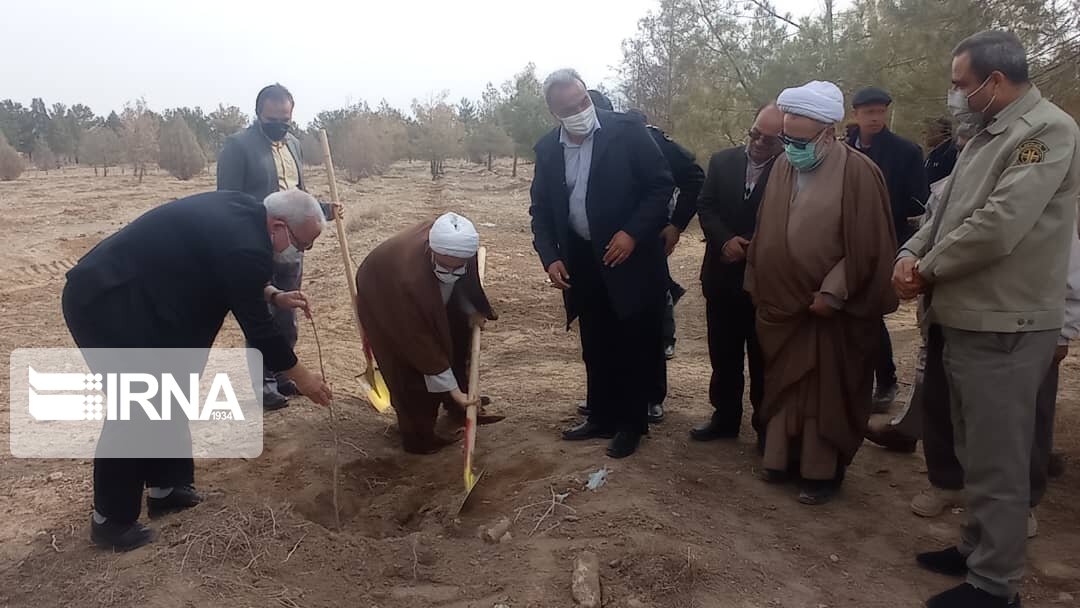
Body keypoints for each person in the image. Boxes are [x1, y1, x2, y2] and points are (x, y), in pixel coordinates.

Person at [895, 31, 1080, 608]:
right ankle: (976, 548)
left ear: (994, 82)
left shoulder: (1045, 132)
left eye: (961, 85)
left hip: (1006, 322)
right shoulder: (982, 134)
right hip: (964, 316)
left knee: (999, 460)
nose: (955, 96)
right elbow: (944, 210)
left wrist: (927, 269)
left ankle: (995, 586)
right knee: (975, 449)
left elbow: (1000, 224)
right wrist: (909, 252)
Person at [62, 189, 333, 551]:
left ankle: (167, 487)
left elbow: (225, 265)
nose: (300, 252)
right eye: (302, 244)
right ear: (279, 226)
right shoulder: (246, 245)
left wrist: (272, 294)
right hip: (107, 301)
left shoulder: (247, 214)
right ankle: (110, 521)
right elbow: (260, 331)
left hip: (145, 300)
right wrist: (303, 378)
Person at [746, 81, 897, 505]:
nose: (792, 147)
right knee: (785, 388)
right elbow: (767, 232)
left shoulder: (859, 173)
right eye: (786, 139)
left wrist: (833, 293)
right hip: (785, 304)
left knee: (824, 392)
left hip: (832, 309)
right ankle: (780, 459)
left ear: (829, 132)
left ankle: (820, 471)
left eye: (800, 140)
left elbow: (869, 246)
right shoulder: (782, 167)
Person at [530, 68, 674, 459]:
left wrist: (632, 233)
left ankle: (631, 424)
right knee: (595, 343)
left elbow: (661, 185)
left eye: (583, 101)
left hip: (629, 256)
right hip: (582, 259)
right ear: (553, 112)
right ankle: (601, 415)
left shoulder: (625, 130)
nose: (580, 111)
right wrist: (551, 257)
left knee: (635, 342)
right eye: (569, 108)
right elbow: (540, 211)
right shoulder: (548, 149)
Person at [576, 90, 704, 424]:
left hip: (641, 249)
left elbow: (693, 177)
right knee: (601, 332)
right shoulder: (570, 146)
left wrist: (676, 224)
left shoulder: (641, 137)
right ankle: (604, 400)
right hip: (595, 254)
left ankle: (651, 397)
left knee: (646, 327)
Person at [217, 83, 339, 410]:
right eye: (273, 118)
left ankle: (286, 374)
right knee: (261, 310)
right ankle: (264, 384)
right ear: (258, 114)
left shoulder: (295, 145)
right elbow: (227, 201)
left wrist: (322, 208)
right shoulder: (237, 146)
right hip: (258, 241)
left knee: (288, 310)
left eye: (285, 118)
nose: (280, 123)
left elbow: (299, 191)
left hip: (292, 242)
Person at [353, 213, 502, 454]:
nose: (451, 271)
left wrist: (470, 309)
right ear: (431, 251)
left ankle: (458, 407)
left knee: (455, 336)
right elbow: (419, 343)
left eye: (457, 266)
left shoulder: (463, 248)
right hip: (382, 291)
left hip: (421, 295)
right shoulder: (407, 279)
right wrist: (450, 387)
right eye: (445, 265)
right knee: (407, 368)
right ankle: (418, 436)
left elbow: (462, 282)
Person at [691, 103, 785, 444]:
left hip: (764, 282)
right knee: (724, 354)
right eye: (755, 134)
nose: (759, 143)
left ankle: (765, 427)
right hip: (721, 275)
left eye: (770, 139)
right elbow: (706, 205)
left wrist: (754, 246)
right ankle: (725, 418)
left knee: (763, 359)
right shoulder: (723, 161)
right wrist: (725, 240)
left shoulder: (790, 170)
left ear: (784, 140)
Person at [847, 86, 930, 411]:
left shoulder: (906, 152)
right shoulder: (843, 149)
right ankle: (854, 380)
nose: (875, 118)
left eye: (880, 111)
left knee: (870, 313)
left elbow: (916, 202)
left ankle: (886, 381)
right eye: (869, 112)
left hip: (886, 243)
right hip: (845, 243)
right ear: (856, 114)